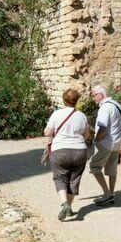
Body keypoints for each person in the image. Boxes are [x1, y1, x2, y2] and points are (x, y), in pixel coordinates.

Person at [44, 88, 90, 221]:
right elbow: (87, 135)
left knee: (60, 178)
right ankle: (69, 207)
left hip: (60, 150)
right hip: (79, 151)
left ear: (64, 100)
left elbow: (47, 132)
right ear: (76, 101)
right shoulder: (82, 116)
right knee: (74, 179)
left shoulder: (57, 114)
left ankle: (64, 203)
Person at [89, 85, 121, 206]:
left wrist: (97, 140)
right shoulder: (116, 105)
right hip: (116, 142)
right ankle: (111, 194)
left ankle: (107, 193)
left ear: (101, 95)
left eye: (94, 95)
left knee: (94, 166)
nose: (93, 98)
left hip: (106, 143)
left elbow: (103, 127)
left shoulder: (105, 107)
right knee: (112, 169)